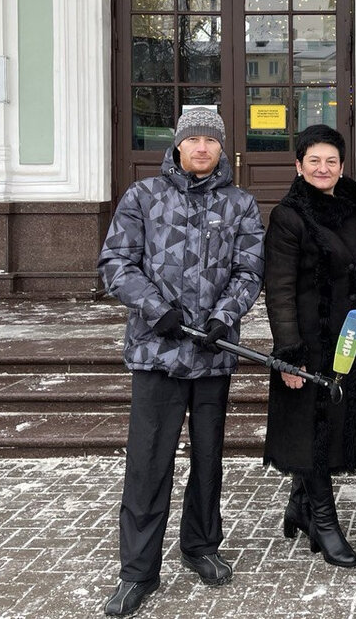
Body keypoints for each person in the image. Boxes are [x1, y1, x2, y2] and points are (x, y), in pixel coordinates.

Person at [98, 108, 265, 617]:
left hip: (213, 354)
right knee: (148, 463)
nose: (200, 147)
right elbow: (116, 263)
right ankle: (138, 571)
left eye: (209, 140)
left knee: (208, 460)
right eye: (191, 138)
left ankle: (200, 546)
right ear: (176, 146)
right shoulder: (142, 198)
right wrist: (156, 309)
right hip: (158, 353)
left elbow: (248, 269)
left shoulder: (240, 204)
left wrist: (224, 316)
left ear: (220, 148)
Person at [262, 124, 356, 568]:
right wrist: (289, 353)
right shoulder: (288, 216)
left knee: (334, 427)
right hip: (309, 342)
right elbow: (278, 289)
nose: (322, 167)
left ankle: (300, 503)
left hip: (348, 340)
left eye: (331, 160)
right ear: (298, 165)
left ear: (342, 166)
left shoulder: (353, 207)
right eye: (313, 160)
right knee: (312, 433)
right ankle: (324, 521)